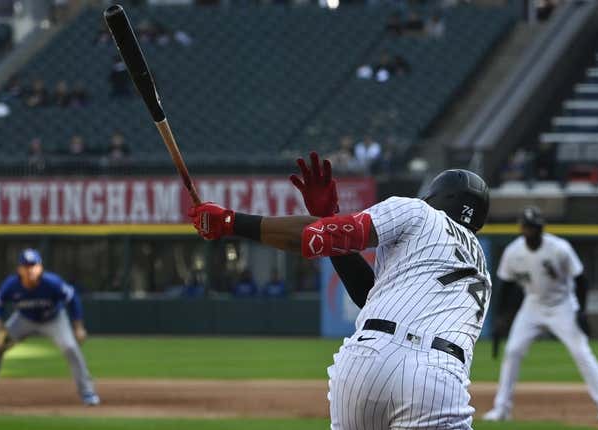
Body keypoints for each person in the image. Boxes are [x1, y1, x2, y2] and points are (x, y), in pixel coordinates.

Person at [189, 153, 492, 429]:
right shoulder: (481, 269)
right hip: (435, 374)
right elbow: (371, 295)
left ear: (435, 196)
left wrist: (231, 222)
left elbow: (315, 239)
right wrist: (329, 217)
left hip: (363, 362)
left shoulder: (419, 212)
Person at [483, 207, 598, 423]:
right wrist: (502, 317)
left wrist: (581, 310)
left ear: (542, 228)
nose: (532, 231)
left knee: (581, 352)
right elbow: (505, 285)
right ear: (522, 228)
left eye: (536, 227)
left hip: (563, 304)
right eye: (529, 227)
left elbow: (580, 279)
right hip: (532, 304)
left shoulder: (560, 248)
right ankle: (501, 409)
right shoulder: (514, 252)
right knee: (513, 351)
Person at [0, 249, 100, 406]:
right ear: (19, 269)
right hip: (23, 319)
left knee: (70, 347)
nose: (30, 269)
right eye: (26, 266)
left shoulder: (52, 283)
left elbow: (72, 299)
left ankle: (87, 392)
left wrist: (78, 327)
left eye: (34, 265)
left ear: (40, 268)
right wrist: (0, 326)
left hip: (53, 319)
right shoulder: (12, 285)